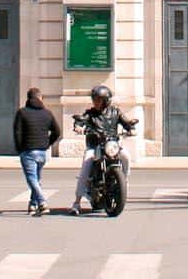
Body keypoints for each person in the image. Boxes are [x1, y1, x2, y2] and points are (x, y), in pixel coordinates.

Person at [72, 84, 137, 214]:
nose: (95, 102)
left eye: (98, 100)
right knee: (86, 163)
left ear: (106, 100)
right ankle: (77, 202)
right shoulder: (90, 113)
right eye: (94, 99)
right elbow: (82, 120)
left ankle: (124, 181)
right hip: (95, 145)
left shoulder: (115, 112)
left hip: (111, 145)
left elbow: (126, 122)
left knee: (126, 156)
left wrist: (131, 129)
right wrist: (78, 126)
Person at [13, 87, 62, 216]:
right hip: (42, 152)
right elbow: (57, 132)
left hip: (28, 151)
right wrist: (47, 143)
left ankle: (42, 202)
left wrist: (20, 149)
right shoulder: (47, 113)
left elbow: (17, 133)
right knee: (37, 178)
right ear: (40, 98)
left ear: (28, 98)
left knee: (32, 179)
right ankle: (32, 205)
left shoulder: (22, 113)